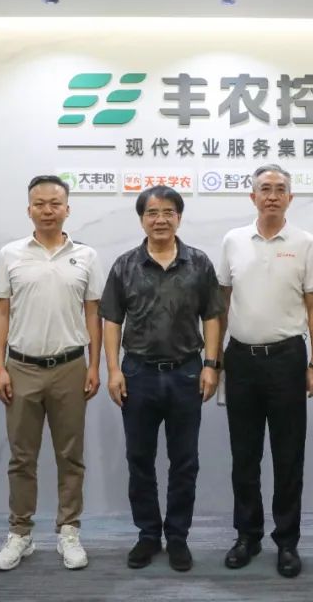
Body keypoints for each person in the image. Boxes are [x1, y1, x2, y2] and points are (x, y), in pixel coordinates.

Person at [101, 185, 224, 572]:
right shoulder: (124, 265)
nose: (160, 219)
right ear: (142, 219)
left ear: (179, 218)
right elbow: (111, 320)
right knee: (139, 459)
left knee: (184, 461)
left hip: (187, 372)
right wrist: (113, 369)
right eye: (152, 213)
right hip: (138, 374)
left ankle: (178, 537)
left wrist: (211, 364)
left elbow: (212, 316)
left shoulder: (198, 263)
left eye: (168, 212)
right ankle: (148, 534)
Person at [0, 175, 104, 572]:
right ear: (29, 210)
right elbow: (0, 311)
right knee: (22, 457)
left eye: (55, 203)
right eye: (39, 204)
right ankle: (20, 532)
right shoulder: (11, 254)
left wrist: (95, 365)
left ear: (67, 209)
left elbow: (93, 313)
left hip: (70, 367)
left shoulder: (86, 255)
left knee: (70, 455)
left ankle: (68, 530)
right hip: (21, 367)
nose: (47, 210)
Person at [218, 164, 313, 578]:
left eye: (280, 189)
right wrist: (214, 359)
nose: (272, 196)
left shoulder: (305, 243)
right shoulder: (233, 241)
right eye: (265, 189)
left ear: (290, 198)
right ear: (252, 197)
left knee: (288, 455)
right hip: (241, 359)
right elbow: (222, 302)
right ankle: (247, 536)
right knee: (244, 455)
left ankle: (287, 541)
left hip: (287, 359)